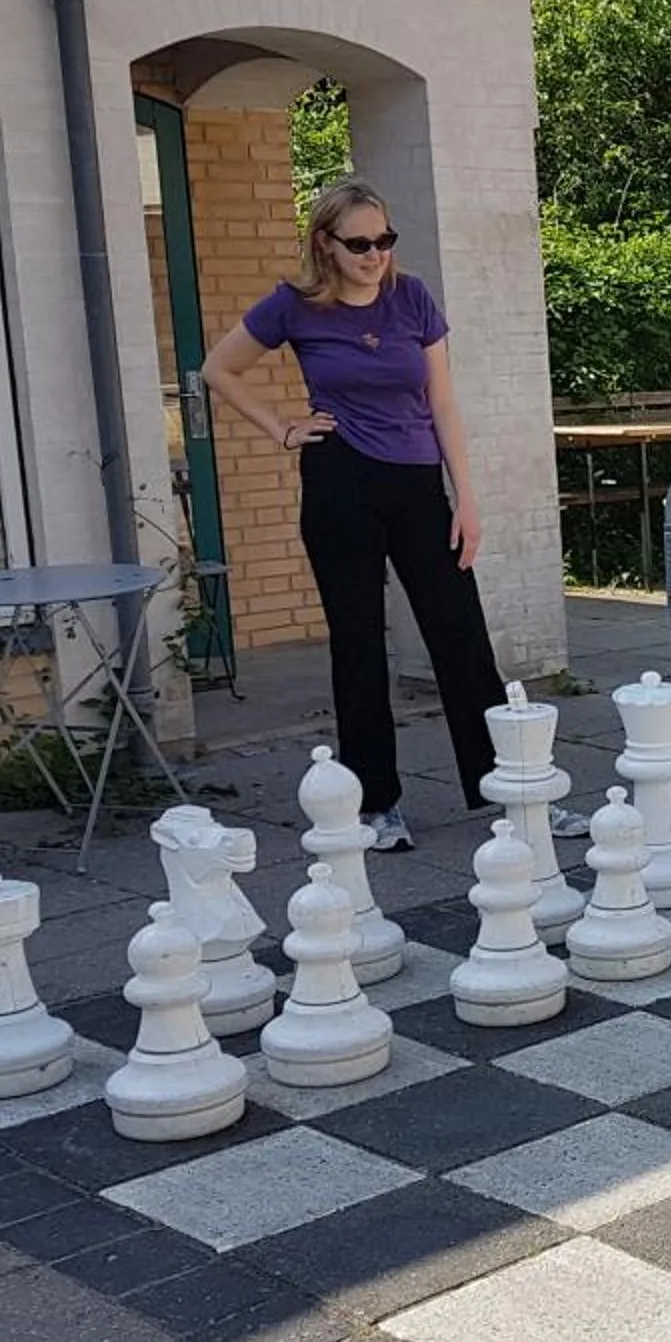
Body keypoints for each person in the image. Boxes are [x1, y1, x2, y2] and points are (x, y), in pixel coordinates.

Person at [200, 180, 575, 850]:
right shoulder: (295, 307)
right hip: (339, 479)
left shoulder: (413, 298)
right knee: (358, 640)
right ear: (326, 244)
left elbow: (443, 403)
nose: (375, 254)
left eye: (384, 240)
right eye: (360, 243)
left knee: (459, 633)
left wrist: (467, 501)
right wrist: (284, 430)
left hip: (417, 483)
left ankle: (508, 787)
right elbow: (218, 370)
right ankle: (376, 804)